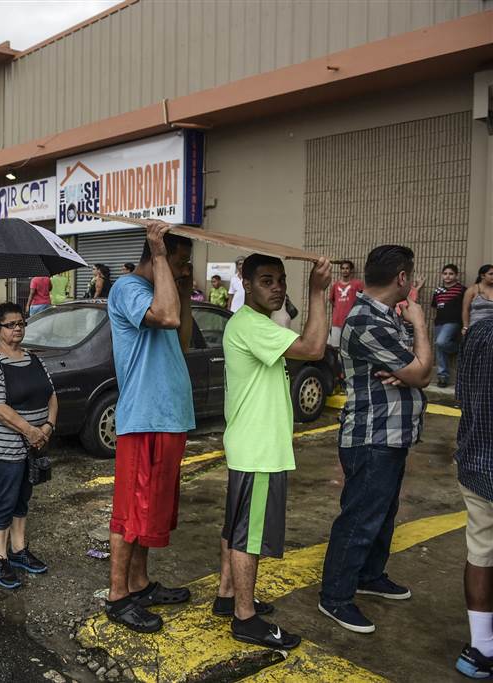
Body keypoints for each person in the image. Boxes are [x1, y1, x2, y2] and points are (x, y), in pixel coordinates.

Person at [214, 253, 332, 649]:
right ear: (246, 284)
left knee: (237, 528)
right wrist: (318, 291)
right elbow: (314, 347)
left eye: (281, 280)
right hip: (259, 450)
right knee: (250, 536)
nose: (277, 287)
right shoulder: (251, 325)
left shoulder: (255, 324)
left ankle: (227, 596)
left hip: (250, 444)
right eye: (267, 280)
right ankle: (245, 619)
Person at [319, 245, 432, 634]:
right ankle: (334, 596)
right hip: (371, 436)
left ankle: (369, 575)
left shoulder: (386, 316)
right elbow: (422, 372)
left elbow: (415, 368)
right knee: (360, 518)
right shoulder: (368, 320)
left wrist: (408, 367)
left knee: (383, 514)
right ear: (402, 278)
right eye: (411, 275)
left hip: (393, 434)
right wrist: (419, 324)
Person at [104, 220, 195, 634]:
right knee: (129, 514)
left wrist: (182, 283)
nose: (182, 270)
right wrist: (161, 255)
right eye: (181, 262)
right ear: (156, 257)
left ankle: (139, 583)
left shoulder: (165, 289)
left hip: (168, 417)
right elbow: (166, 315)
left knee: (150, 513)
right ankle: (118, 595)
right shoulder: (127, 289)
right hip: (142, 419)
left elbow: (184, 336)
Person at [0, 303, 57, 590]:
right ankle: (0, 557)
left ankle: (19, 550)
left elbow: (51, 395)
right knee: (3, 501)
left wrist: (47, 427)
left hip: (33, 446)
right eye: (10, 325)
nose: (18, 329)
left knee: (23, 498)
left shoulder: (33, 358)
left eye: (21, 323)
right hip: (5, 449)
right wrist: (30, 431)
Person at [453, 318, 493, 679]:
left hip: (477, 460)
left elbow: (461, 395)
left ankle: (481, 648)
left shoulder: (480, 331)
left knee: (480, 551)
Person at [431, 263, 467, 387]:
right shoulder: (438, 290)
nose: (448, 276)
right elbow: (436, 307)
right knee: (439, 348)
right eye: (445, 273)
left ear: (456, 275)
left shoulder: (462, 290)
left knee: (441, 343)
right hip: (439, 322)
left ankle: (457, 348)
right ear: (442, 275)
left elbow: (466, 308)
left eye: (451, 274)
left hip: (454, 322)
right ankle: (443, 377)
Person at [328, 261, 364, 347]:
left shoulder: (358, 284)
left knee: (351, 346)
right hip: (337, 321)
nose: (345, 270)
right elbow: (331, 300)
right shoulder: (335, 285)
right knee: (335, 346)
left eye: (347, 268)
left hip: (351, 320)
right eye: (343, 268)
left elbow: (364, 298)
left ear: (351, 270)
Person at [463, 264, 493, 335]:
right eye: (491, 274)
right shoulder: (472, 289)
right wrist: (465, 327)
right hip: (476, 326)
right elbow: (465, 310)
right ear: (482, 276)